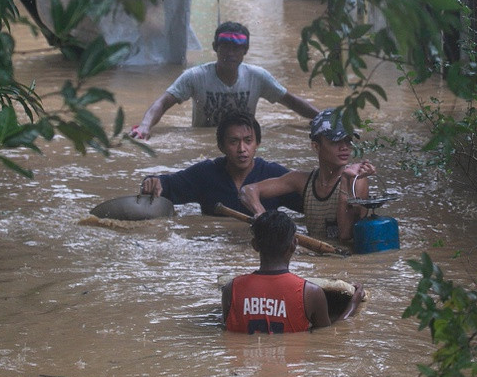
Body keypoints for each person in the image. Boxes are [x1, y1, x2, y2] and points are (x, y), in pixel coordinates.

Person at [130, 21, 318, 140]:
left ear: (245, 51)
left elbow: (291, 101)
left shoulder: (257, 76)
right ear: (215, 48)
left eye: (237, 48)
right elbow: (163, 102)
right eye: (225, 47)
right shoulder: (195, 76)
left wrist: (321, 119)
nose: (230, 53)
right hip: (206, 138)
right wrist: (145, 127)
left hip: (244, 142)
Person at [239, 108, 376, 243]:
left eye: (348, 140)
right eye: (335, 141)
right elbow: (248, 190)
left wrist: (345, 180)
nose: (344, 147)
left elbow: (345, 235)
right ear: (316, 147)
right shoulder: (302, 181)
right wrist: (261, 215)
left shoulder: (357, 180)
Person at [221, 210, 365, 333]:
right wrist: (353, 304)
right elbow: (328, 338)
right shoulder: (310, 293)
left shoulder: (230, 290)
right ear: (294, 244)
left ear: (255, 245)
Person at [140, 111, 302, 215]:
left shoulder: (274, 175)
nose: (242, 149)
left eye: (248, 141)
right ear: (221, 146)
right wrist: (151, 183)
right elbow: (164, 185)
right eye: (233, 142)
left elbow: (311, 205)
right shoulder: (205, 174)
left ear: (257, 144)